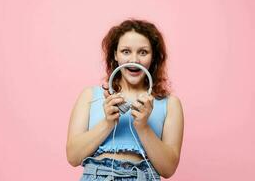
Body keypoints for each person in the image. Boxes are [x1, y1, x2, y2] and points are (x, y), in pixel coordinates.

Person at [66, 19, 184, 181]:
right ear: (115, 54)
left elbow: (168, 169)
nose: (134, 60)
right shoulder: (89, 96)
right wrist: (108, 123)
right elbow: (73, 157)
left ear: (153, 57)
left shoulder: (170, 104)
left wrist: (143, 127)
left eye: (143, 52)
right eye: (126, 51)